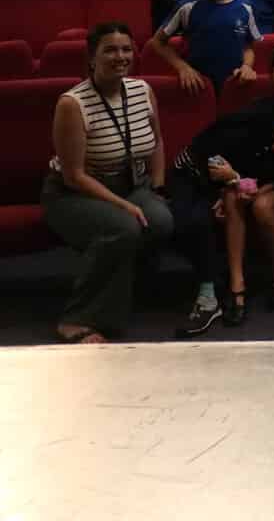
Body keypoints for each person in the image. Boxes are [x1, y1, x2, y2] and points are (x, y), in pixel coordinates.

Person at [41, 24, 172, 343]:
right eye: (110, 50)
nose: (120, 56)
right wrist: (125, 205)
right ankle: (78, 318)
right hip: (73, 193)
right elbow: (74, 175)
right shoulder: (73, 103)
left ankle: (126, 291)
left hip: (131, 184)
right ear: (91, 57)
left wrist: (156, 187)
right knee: (123, 227)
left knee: (161, 220)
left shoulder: (142, 90)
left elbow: (156, 142)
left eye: (126, 49)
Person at [168, 90, 274, 336]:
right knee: (193, 221)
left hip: (225, 184)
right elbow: (214, 159)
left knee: (233, 199)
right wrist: (231, 183)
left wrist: (236, 185)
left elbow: (266, 179)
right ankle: (223, 291)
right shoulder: (257, 120)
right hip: (193, 171)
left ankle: (239, 288)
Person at [148, 0, 262, 93]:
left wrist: (247, 66)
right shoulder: (187, 7)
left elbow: (248, 46)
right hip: (198, 87)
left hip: (234, 84)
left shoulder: (247, 7)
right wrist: (183, 68)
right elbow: (157, 42)